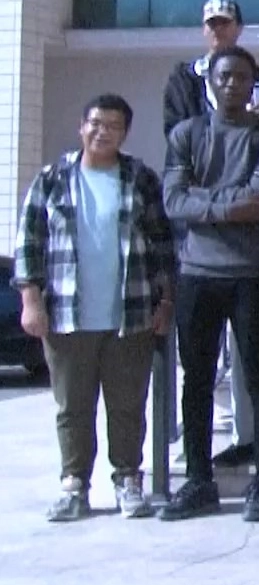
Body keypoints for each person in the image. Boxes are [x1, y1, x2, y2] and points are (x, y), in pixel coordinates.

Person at [14, 93, 175, 522]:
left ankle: (128, 481)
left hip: (130, 315)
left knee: (127, 406)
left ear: (125, 133)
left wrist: (165, 301)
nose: (103, 132)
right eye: (96, 124)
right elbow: (29, 243)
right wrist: (31, 301)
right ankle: (74, 486)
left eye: (114, 126)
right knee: (73, 407)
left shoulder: (140, 179)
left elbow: (162, 246)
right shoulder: (52, 179)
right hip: (66, 316)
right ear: (82, 127)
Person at [159, 47, 259, 523]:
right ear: (210, 82)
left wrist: (205, 202)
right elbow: (174, 201)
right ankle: (198, 479)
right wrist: (229, 208)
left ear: (254, 83)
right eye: (224, 76)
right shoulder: (187, 134)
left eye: (242, 77)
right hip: (197, 274)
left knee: (258, 377)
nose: (232, 83)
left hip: (250, 275)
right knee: (196, 379)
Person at [164, 0, 253, 135]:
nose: (218, 28)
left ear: (239, 28)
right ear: (204, 29)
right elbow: (174, 129)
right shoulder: (184, 79)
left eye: (224, 22)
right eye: (212, 24)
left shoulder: (256, 76)